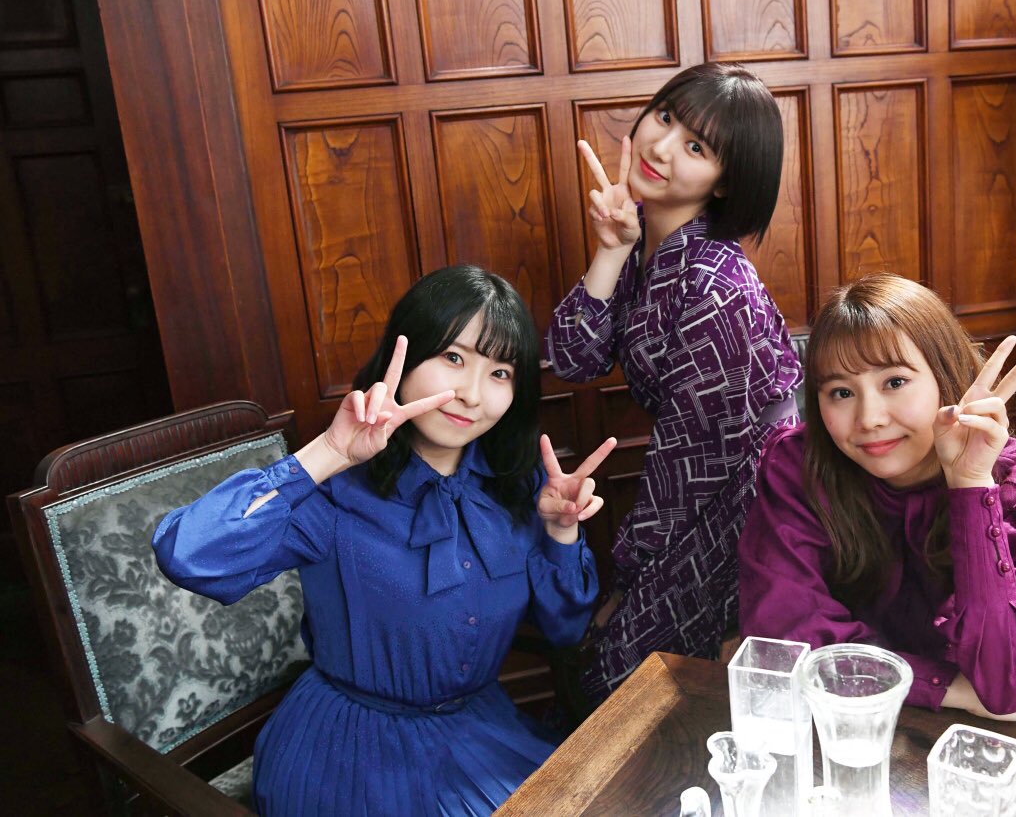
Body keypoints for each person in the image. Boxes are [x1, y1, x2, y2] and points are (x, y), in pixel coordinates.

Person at [153, 265, 614, 815]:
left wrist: (561, 532)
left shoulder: (517, 485)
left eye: (499, 372)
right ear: (406, 354)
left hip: (477, 730)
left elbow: (565, 629)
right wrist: (327, 454)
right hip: (347, 752)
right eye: (454, 358)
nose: (471, 395)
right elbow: (188, 556)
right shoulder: (335, 491)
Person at [546, 62, 803, 705]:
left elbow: (695, 463)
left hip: (753, 496)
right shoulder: (642, 239)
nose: (660, 147)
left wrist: (630, 570)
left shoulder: (717, 287)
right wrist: (611, 249)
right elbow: (572, 358)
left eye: (696, 147)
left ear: (725, 181)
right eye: (664, 117)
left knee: (626, 682)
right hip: (698, 484)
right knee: (615, 678)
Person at [739, 273, 1016, 724]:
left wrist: (970, 486)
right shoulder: (800, 467)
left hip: (1013, 725)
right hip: (858, 714)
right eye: (841, 392)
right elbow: (782, 633)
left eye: (895, 382)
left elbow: (1007, 686)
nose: (869, 419)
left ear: (945, 377)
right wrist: (943, 686)